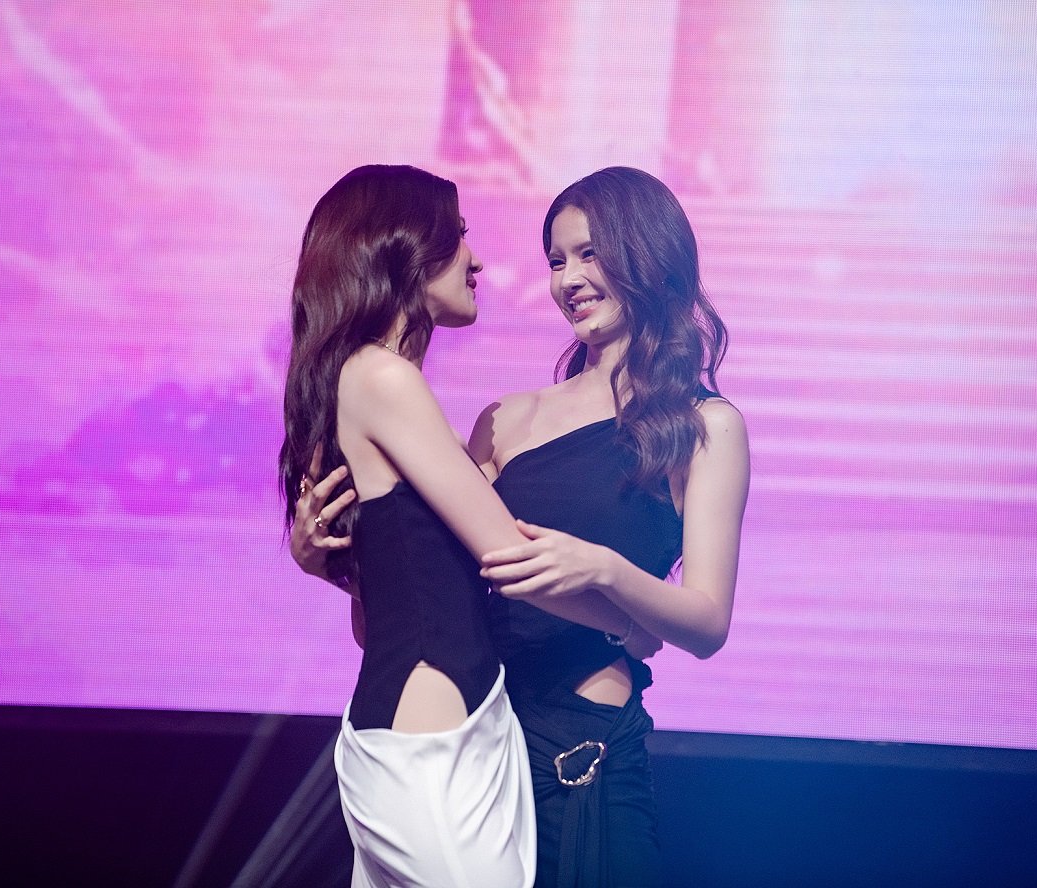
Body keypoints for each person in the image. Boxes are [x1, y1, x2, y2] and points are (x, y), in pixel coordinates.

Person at [294, 166, 748, 887]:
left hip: (585, 752)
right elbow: (421, 596)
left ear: (649, 252)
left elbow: (707, 624)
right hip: (484, 738)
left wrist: (607, 572)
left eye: (590, 254)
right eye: (556, 261)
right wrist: (340, 572)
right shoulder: (505, 419)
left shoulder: (704, 426)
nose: (569, 279)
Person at [280, 164, 547, 887]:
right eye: (457, 236)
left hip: (434, 727)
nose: (476, 259)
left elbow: (385, 615)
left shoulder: (360, 382)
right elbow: (506, 552)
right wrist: (629, 599)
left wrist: (330, 571)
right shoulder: (380, 377)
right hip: (432, 744)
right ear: (401, 249)